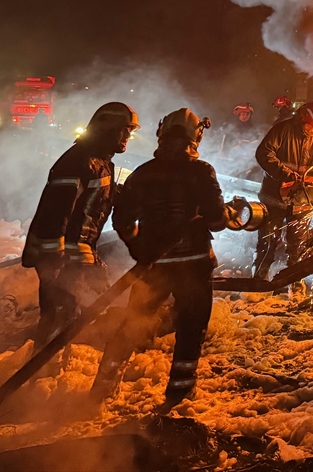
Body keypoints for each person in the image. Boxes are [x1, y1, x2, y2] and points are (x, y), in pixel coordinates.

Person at [92, 108, 227, 411]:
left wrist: (140, 249)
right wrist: (229, 214)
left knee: (130, 326)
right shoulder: (201, 171)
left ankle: (101, 391)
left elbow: (123, 219)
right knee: (191, 330)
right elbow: (217, 220)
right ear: (195, 137)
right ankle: (178, 397)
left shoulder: (143, 173)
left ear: (161, 135)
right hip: (194, 264)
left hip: (155, 268)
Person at [21, 102, 139, 343]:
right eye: (124, 129)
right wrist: (55, 262)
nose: (128, 136)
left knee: (77, 314)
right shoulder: (78, 162)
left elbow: (96, 198)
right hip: (63, 258)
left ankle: (58, 362)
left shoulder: (100, 161)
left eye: (130, 131)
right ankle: (41, 371)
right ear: (106, 129)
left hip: (79, 255)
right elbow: (56, 213)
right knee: (59, 318)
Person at [253, 99, 313, 277]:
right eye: (312, 126)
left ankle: (293, 281)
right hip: (275, 197)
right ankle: (259, 279)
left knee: (298, 246)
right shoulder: (282, 129)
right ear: (302, 116)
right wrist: (285, 174)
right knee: (268, 241)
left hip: (303, 199)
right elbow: (263, 154)